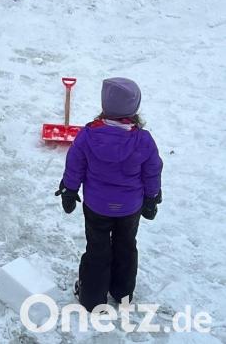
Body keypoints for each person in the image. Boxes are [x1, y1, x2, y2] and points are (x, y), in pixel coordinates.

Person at [55, 77, 163, 312]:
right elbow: (152, 172)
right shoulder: (143, 140)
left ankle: (92, 298)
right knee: (126, 246)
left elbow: (75, 165)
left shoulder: (88, 135)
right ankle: (122, 294)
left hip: (97, 206)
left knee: (97, 248)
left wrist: (69, 189)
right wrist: (152, 198)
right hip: (129, 208)